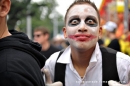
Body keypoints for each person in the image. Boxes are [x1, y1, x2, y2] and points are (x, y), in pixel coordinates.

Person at [42, 0, 130, 86]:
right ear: (65, 32)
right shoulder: (52, 64)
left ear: (99, 32)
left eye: (90, 22)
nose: (82, 27)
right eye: (74, 22)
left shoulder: (123, 65)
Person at [0, 0, 62, 86]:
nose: (35, 38)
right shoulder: (27, 50)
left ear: (3, 7)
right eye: (35, 35)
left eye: (38, 35)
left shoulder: (9, 68)